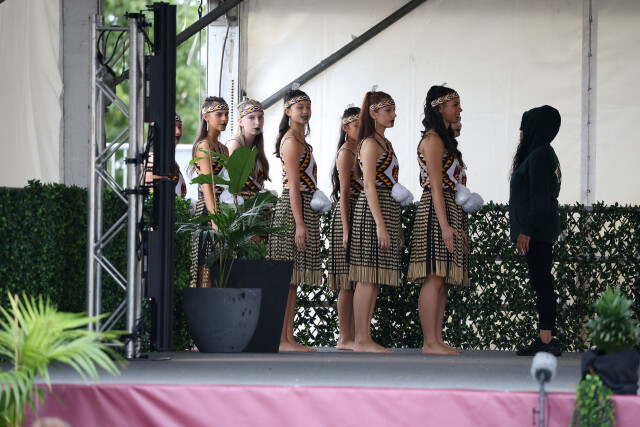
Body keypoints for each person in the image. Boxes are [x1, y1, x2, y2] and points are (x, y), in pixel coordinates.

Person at [407, 85, 468, 355]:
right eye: (455, 104)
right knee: (434, 276)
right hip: (435, 209)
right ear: (440, 107)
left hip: (447, 207)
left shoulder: (443, 139)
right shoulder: (432, 140)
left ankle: (437, 339)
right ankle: (430, 341)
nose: (459, 109)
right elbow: (434, 186)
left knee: (443, 279)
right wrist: (444, 226)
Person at [348, 89, 403, 354]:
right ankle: (360, 339)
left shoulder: (385, 143)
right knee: (367, 275)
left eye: (393, 110)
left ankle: (364, 337)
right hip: (372, 211)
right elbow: (368, 184)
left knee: (374, 277)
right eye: (388, 110)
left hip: (384, 207)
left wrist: (395, 225)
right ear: (373, 113)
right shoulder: (370, 143)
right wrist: (381, 224)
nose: (393, 115)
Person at [267, 88, 322, 352]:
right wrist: (300, 224)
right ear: (288, 111)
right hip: (291, 212)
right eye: (300, 107)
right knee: (287, 278)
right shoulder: (290, 141)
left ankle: (287, 338)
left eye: (308, 107)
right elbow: (292, 187)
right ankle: (281, 338)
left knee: (293, 280)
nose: (305, 111)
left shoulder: (300, 140)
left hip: (300, 209)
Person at [509, 105, 562, 357]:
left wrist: (526, 230)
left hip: (537, 231)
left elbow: (539, 197)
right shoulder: (543, 153)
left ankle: (547, 340)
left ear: (536, 127)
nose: (521, 131)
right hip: (541, 229)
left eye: (525, 125)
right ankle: (546, 338)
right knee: (542, 281)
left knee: (542, 282)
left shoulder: (539, 155)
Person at [327, 105, 363, 351]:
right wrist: (347, 229)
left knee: (356, 279)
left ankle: (353, 334)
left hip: (359, 213)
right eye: (356, 125)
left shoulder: (361, 149)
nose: (361, 129)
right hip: (346, 215)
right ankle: (344, 336)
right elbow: (344, 194)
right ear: (346, 127)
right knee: (347, 281)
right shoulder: (346, 152)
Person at [188, 97, 230, 288]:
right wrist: (215, 221)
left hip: (222, 208)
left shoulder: (224, 148)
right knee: (205, 267)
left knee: (219, 270)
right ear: (206, 117)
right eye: (219, 114)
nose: (224, 118)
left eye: (226, 114)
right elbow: (207, 185)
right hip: (207, 209)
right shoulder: (203, 146)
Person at [226, 99, 270, 198]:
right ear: (240, 121)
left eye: (260, 117)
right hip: (240, 205)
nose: (257, 122)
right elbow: (230, 185)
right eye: (251, 118)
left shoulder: (257, 146)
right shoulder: (234, 145)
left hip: (256, 204)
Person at [144, 113, 187, 198]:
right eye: (172, 127)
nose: (178, 132)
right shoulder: (154, 160)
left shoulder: (167, 159)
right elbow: (153, 200)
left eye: (180, 127)